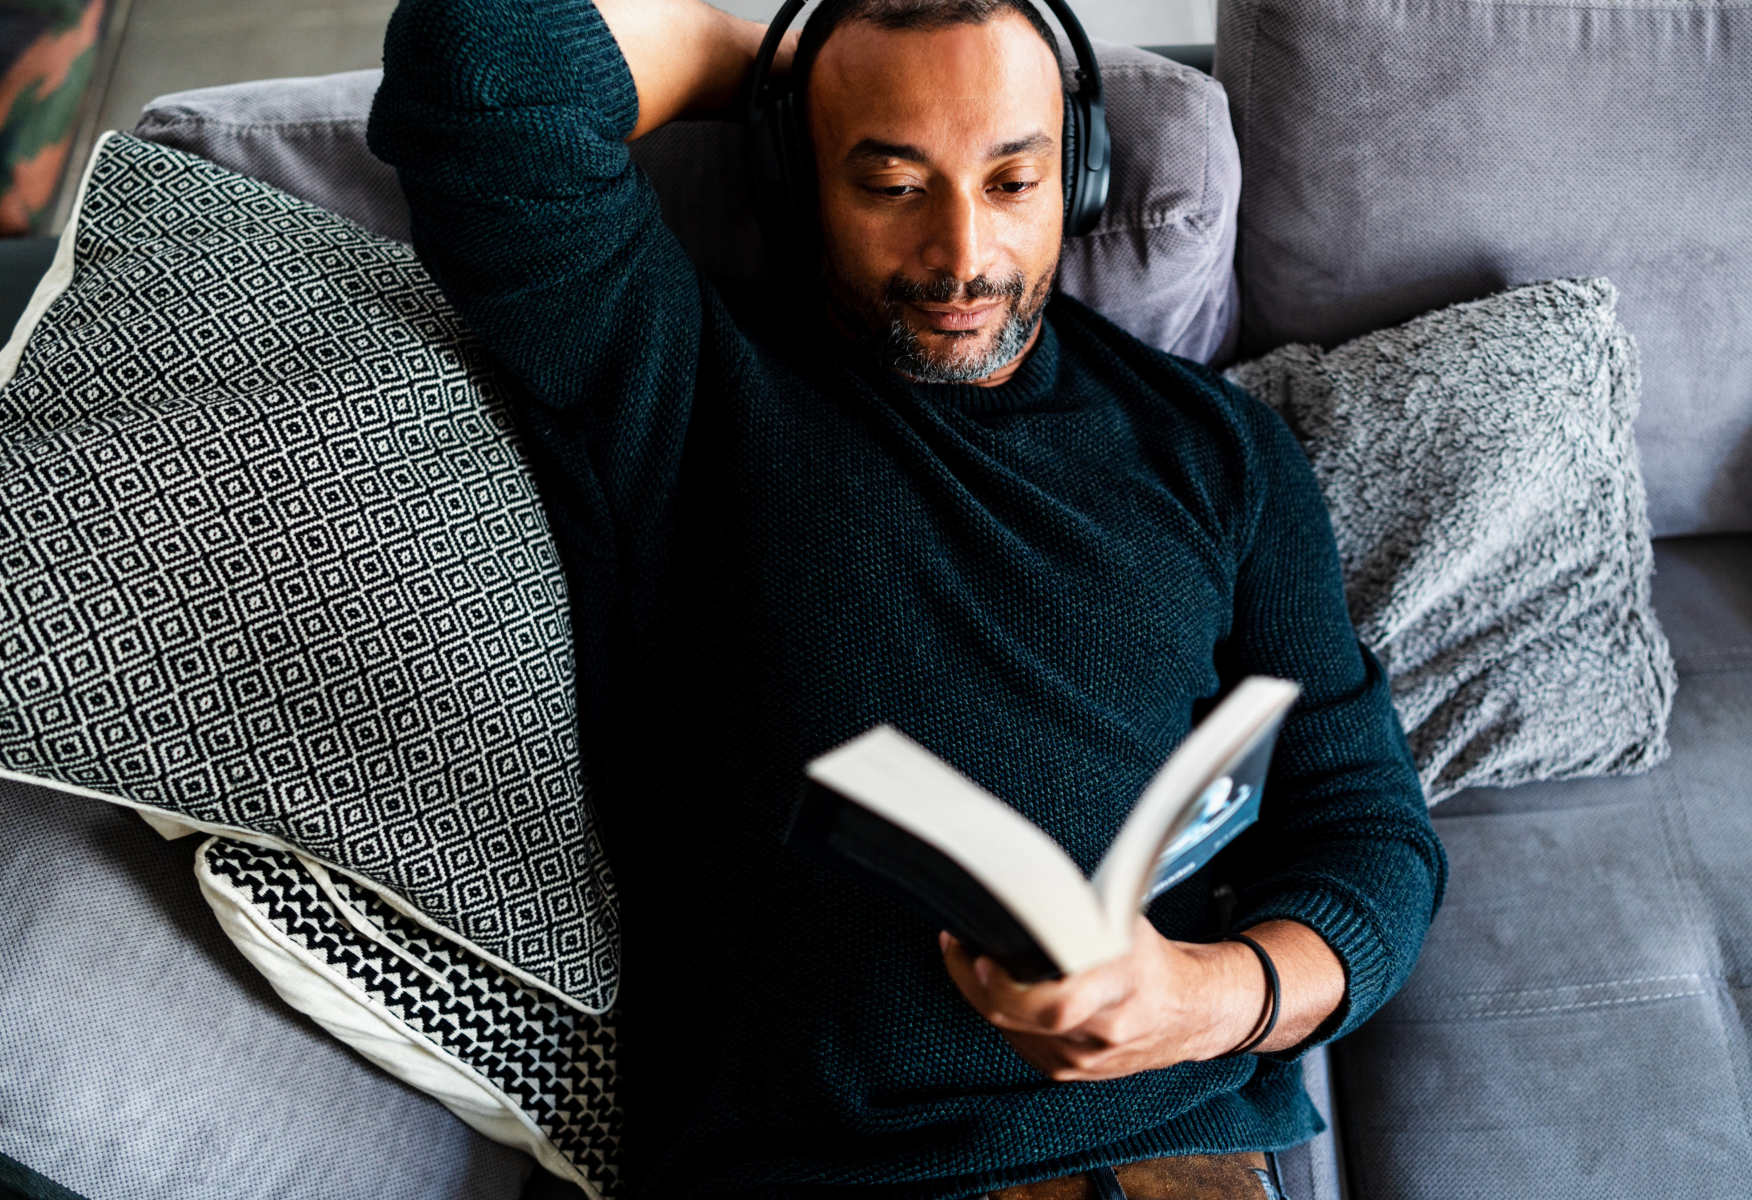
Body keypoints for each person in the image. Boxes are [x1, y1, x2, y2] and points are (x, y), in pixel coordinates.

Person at [369, 0, 1446, 1194]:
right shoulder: (673, 370)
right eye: (891, 184)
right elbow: (480, 53)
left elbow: (1371, 832)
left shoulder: (1222, 454)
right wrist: (795, 69)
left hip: (1163, 1157)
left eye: (1012, 178)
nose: (961, 256)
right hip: (815, 1170)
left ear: (1080, 179)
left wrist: (1209, 1000)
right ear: (797, 182)